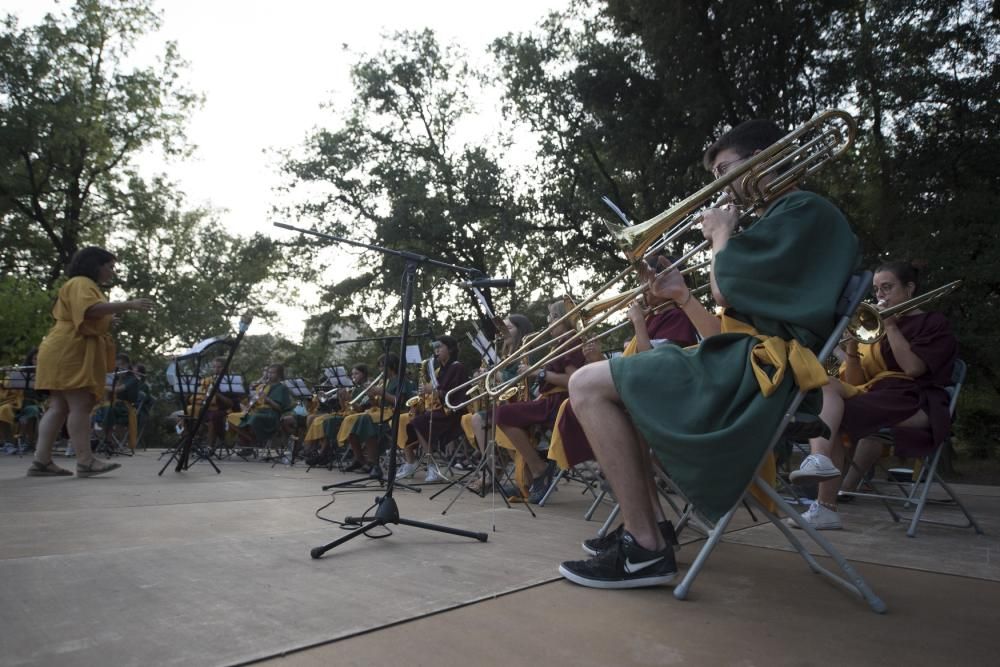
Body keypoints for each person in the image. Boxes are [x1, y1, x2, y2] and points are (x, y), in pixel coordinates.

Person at [559, 119, 858, 588]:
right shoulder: (784, 220)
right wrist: (681, 294)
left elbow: (726, 288)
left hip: (760, 375)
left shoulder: (801, 210)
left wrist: (721, 235)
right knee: (619, 395)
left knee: (584, 383)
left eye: (723, 171)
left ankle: (644, 549)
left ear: (762, 159)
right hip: (749, 363)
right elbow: (729, 319)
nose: (720, 186)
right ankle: (651, 531)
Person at [788, 261, 958, 529]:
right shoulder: (874, 328)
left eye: (887, 288)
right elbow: (856, 382)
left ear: (910, 288)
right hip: (877, 394)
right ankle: (818, 461)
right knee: (826, 384)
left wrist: (891, 326)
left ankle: (825, 507)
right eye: (877, 289)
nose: (880, 295)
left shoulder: (933, 322)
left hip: (915, 399)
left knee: (835, 417)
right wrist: (853, 347)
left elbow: (913, 369)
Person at [28, 246, 153, 477]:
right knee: (80, 406)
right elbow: (91, 310)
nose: (112, 272)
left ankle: (41, 461)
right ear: (96, 265)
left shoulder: (76, 284)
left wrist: (107, 319)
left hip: (60, 348)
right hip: (70, 350)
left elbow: (87, 314)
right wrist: (129, 304)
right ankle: (85, 461)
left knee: (58, 407)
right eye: (110, 267)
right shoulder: (82, 283)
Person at [493, 299, 587, 503]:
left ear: (565, 319)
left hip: (559, 404)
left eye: (553, 317)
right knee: (505, 413)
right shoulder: (561, 344)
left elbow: (574, 380)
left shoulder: (570, 342)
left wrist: (539, 373)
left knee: (503, 414)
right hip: (550, 401)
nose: (549, 322)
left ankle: (538, 468)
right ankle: (527, 478)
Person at [462, 314, 534, 493]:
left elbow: (519, 381)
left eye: (508, 328)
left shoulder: (526, 351)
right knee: (474, 419)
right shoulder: (505, 354)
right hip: (505, 404)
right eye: (502, 328)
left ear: (521, 330)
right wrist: (483, 377)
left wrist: (494, 373)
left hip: (522, 404)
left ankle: (494, 474)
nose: (503, 332)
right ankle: (491, 470)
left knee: (482, 419)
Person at [397, 335, 468, 482]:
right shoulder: (440, 370)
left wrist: (434, 391)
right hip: (437, 410)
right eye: (435, 347)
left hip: (451, 412)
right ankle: (410, 462)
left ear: (451, 349)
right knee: (404, 419)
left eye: (440, 346)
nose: (437, 350)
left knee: (419, 422)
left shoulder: (457, 367)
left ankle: (432, 466)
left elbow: (456, 395)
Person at [340, 353, 414, 475]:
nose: (380, 369)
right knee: (350, 420)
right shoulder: (384, 382)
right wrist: (371, 396)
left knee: (366, 420)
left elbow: (400, 402)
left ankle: (373, 462)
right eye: (379, 366)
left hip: (395, 414)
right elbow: (377, 404)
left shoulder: (401, 380)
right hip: (381, 413)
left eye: (382, 366)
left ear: (392, 366)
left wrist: (381, 392)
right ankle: (360, 459)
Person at [231, 363, 293, 451]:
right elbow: (254, 402)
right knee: (232, 417)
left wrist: (267, 399)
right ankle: (251, 440)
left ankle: (252, 443)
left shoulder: (282, 388)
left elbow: (280, 409)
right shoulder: (263, 386)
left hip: (271, 415)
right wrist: (252, 402)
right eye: (269, 372)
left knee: (254, 418)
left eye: (272, 373)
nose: (269, 375)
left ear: (279, 375)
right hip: (256, 412)